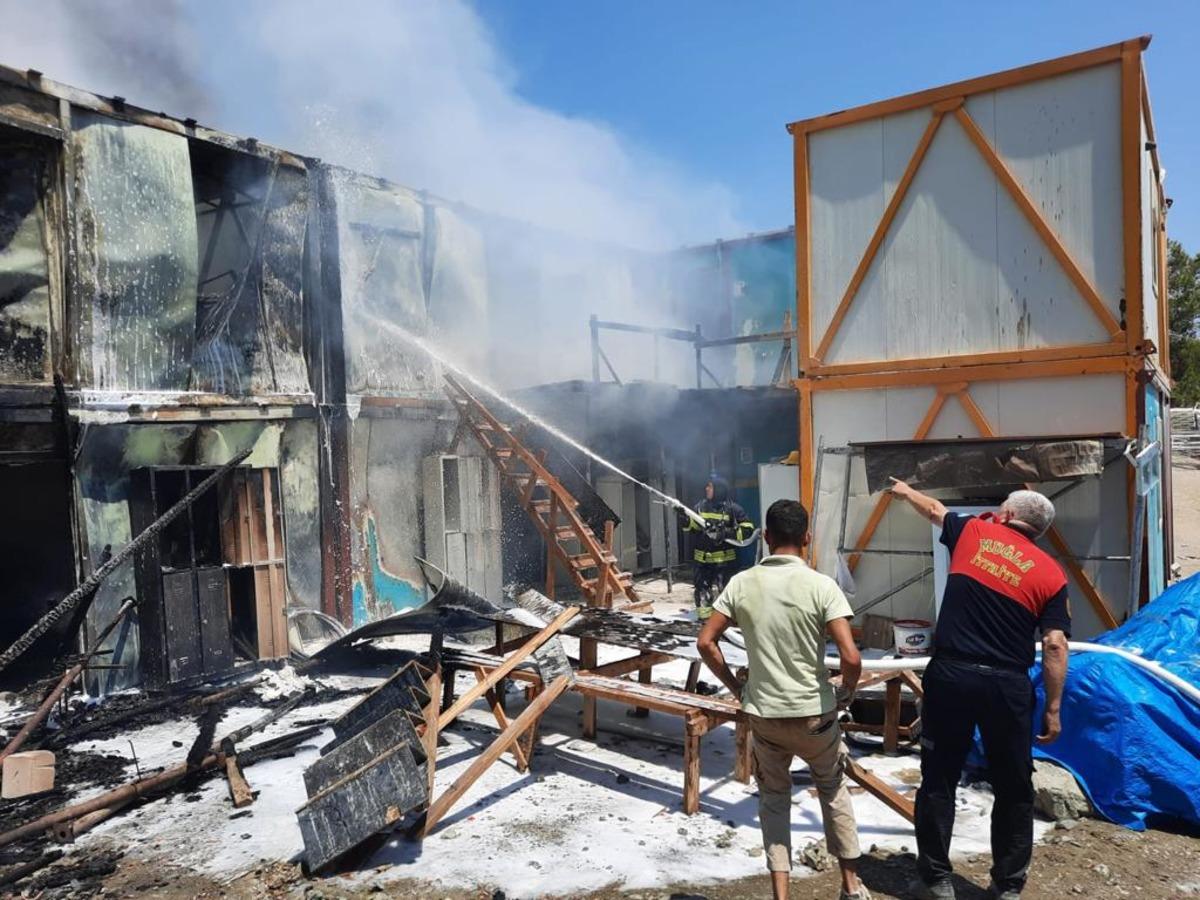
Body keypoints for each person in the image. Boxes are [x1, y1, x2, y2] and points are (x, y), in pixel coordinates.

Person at [888, 481, 1071, 900]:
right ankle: (1007, 886)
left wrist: (905, 491)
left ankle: (935, 880)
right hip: (1008, 686)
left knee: (939, 777)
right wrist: (1054, 707)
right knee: (1014, 786)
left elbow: (934, 509)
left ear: (1007, 515)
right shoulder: (1052, 575)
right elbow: (1055, 645)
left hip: (952, 675)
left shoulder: (973, 532)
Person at [698, 499, 869, 900]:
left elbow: (706, 642)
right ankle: (851, 887)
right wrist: (846, 693)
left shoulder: (742, 583)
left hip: (765, 716)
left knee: (774, 799)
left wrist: (736, 688)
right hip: (816, 716)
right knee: (832, 790)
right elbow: (851, 657)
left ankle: (781, 895)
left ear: (766, 537)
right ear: (807, 538)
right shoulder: (821, 586)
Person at [682, 475, 754, 617]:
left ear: (719, 489)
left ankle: (729, 621)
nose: (706, 489)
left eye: (710, 486)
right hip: (702, 562)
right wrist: (684, 520)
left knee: (728, 595)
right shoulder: (700, 507)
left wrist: (726, 533)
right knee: (703, 595)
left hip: (725, 563)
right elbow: (693, 528)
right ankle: (704, 620)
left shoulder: (732, 509)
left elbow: (748, 529)